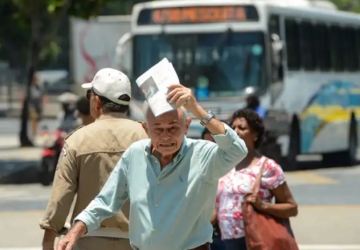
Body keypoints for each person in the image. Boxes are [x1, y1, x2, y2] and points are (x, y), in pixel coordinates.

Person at [56, 83, 248, 250]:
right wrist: (75, 232)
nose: (166, 136)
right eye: (158, 129)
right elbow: (105, 201)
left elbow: (237, 150)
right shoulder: (135, 154)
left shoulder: (203, 155)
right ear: (146, 129)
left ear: (186, 126)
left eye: (173, 127)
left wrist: (197, 110)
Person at [39, 68, 148, 250]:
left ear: (96, 101)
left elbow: (61, 197)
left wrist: (48, 241)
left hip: (87, 239)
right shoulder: (147, 137)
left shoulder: (77, 140)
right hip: (138, 240)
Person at [215, 109, 298, 250]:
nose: (236, 131)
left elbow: (291, 208)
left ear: (255, 135)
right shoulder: (224, 164)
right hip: (225, 241)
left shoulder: (267, 167)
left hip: (253, 240)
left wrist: (263, 205)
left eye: (242, 128)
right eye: (233, 128)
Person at [29, 73, 45, 139]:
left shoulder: (38, 87)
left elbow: (41, 96)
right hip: (32, 104)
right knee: (33, 119)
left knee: (36, 120)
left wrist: (41, 104)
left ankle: (34, 132)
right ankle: (33, 132)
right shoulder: (29, 87)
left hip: (37, 104)